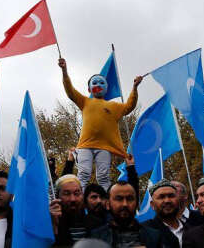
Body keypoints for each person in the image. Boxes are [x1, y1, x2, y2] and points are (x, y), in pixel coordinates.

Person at [58, 58, 143, 191]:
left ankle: (105, 202)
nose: (98, 84)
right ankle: (81, 201)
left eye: (102, 83)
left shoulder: (114, 106)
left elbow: (129, 106)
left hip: (105, 147)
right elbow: (70, 91)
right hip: (85, 146)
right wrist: (64, 71)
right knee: (83, 174)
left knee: (103, 176)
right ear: (89, 88)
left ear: (107, 88)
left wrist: (134, 88)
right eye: (95, 82)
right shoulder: (84, 101)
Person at [91, 181, 162, 248]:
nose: (125, 204)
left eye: (130, 199)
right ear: (107, 204)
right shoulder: (95, 237)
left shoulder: (154, 236)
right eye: (119, 199)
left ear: (137, 203)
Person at [50, 174, 102, 246]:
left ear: (83, 195)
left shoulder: (98, 223)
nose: (72, 199)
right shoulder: (50, 224)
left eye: (77, 193)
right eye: (66, 194)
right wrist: (54, 228)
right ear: (57, 196)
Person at [142, 179, 184, 248]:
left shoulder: (192, 227)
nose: (167, 200)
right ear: (152, 205)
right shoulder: (144, 231)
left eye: (171, 196)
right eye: (161, 197)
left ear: (178, 201)